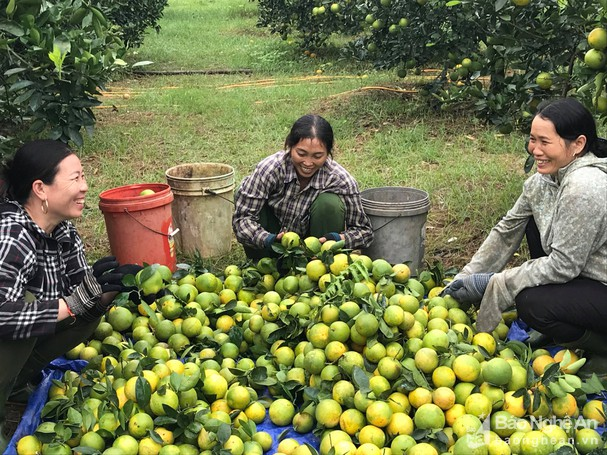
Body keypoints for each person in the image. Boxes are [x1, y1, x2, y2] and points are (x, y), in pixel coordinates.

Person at [443, 98, 607, 375]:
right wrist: (465, 277)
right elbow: (507, 230)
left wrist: (498, 282)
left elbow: (563, 266)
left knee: (532, 303)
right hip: (583, 275)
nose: (535, 150)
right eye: (532, 140)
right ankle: (568, 328)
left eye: (545, 142)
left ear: (578, 144)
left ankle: (602, 352)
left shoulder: (586, 187)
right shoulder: (543, 182)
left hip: (601, 281)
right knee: (532, 220)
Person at [0, 140, 140, 451]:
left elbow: (80, 294)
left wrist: (110, 292)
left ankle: (14, 384)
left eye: (83, 177)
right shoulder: (11, 234)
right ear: (41, 188)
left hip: (21, 340)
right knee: (28, 306)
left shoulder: (62, 229)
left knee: (88, 311)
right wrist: (73, 302)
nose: (85, 187)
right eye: (75, 178)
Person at [232, 114, 374, 259]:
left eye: (317, 156)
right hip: (270, 245)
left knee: (329, 204)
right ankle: (262, 265)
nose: (308, 163)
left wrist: (337, 239)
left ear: (328, 153)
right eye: (301, 153)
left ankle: (319, 265)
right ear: (289, 146)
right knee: (244, 193)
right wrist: (269, 239)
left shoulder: (340, 180)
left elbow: (364, 232)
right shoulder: (270, 169)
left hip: (313, 256)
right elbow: (242, 220)